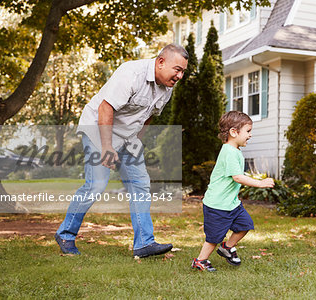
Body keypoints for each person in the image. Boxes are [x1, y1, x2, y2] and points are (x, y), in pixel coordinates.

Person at [55, 44, 188, 258]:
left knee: (140, 184)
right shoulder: (131, 74)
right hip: (98, 128)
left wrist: (136, 141)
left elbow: (149, 116)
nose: (180, 76)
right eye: (177, 69)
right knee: (96, 185)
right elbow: (105, 108)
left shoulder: (167, 88)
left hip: (127, 136)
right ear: (161, 61)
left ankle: (144, 243)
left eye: (183, 71)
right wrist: (107, 147)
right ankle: (65, 235)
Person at [191, 111, 275, 272]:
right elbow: (237, 177)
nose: (250, 135)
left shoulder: (235, 151)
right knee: (213, 238)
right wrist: (260, 183)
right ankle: (200, 261)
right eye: (248, 131)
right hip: (217, 205)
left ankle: (227, 247)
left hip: (231, 204)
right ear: (234, 132)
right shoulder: (229, 151)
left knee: (245, 225)